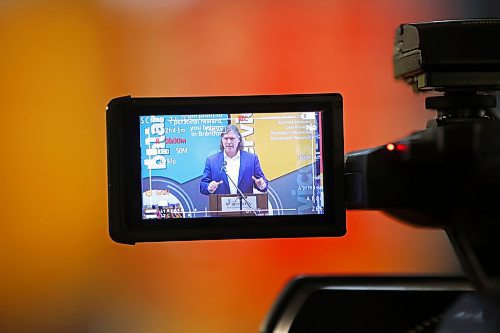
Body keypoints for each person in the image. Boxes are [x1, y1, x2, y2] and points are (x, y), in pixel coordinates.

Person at [200, 124, 267, 195]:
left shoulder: (251, 159)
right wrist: (209, 187)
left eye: (232, 138)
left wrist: (261, 185)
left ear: (239, 140)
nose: (229, 142)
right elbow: (202, 186)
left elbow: (263, 184)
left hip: (245, 204)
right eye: (226, 138)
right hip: (220, 205)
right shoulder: (211, 161)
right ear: (222, 140)